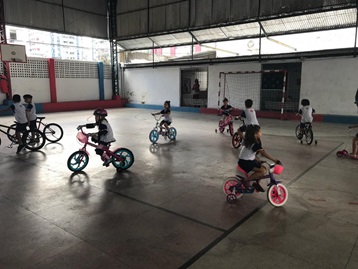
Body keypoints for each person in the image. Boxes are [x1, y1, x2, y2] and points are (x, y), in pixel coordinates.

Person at [238, 125, 280, 192]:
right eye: (260, 131)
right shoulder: (254, 143)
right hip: (245, 162)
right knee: (262, 171)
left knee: (264, 168)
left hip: (248, 159)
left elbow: (252, 153)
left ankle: (256, 183)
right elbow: (263, 153)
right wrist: (274, 159)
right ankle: (246, 180)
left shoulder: (253, 140)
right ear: (255, 134)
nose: (261, 133)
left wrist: (258, 160)